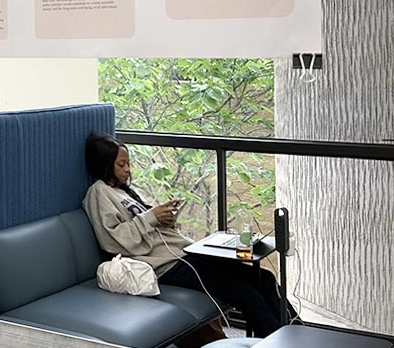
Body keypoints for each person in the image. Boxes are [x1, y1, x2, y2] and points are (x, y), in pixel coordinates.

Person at [82, 132, 288, 338]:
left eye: (128, 163)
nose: (128, 170)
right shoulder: (98, 193)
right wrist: (152, 217)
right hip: (167, 266)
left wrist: (165, 219)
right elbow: (115, 242)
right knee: (249, 296)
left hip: (184, 253)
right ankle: (280, 343)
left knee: (266, 279)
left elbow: (149, 227)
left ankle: (297, 334)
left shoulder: (124, 191)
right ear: (105, 165)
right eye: (121, 164)